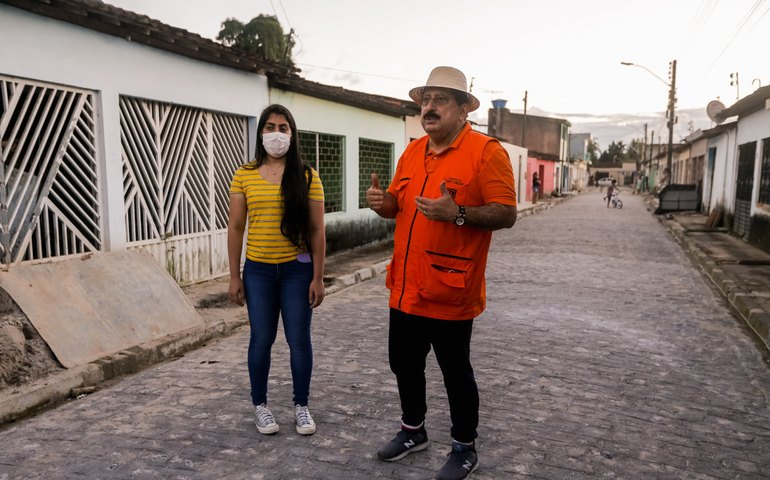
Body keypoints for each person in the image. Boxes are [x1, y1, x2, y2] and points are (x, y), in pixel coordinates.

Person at [366, 66, 517, 480]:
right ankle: (412, 430)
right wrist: (382, 203)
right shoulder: (412, 151)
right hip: (406, 286)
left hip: (450, 288)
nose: (429, 108)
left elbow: (506, 213)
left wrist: (459, 213)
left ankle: (464, 447)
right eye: (426, 100)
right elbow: (397, 205)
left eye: (441, 100)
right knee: (403, 363)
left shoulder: (486, 152)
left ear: (464, 109)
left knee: (455, 373)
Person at [227, 104, 326, 436]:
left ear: (292, 134)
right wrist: (234, 276)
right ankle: (261, 406)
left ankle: (301, 406)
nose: (276, 134)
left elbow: (317, 231)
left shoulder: (308, 176)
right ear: (260, 133)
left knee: (299, 340)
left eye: (283, 128)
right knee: (261, 339)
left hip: (298, 272)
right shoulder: (244, 174)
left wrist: (318, 277)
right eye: (270, 127)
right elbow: (236, 227)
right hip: (258, 273)